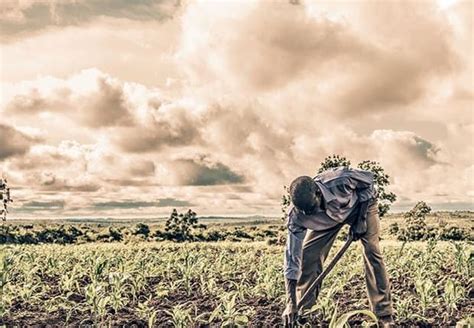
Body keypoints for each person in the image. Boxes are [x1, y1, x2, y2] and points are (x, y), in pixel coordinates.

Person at [282, 167, 394, 327]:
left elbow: (368, 182)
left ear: (318, 194)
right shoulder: (296, 217)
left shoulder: (340, 178)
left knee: (372, 251)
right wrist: (290, 303)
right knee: (308, 257)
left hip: (360, 207)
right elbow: (292, 261)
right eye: (304, 212)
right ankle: (303, 313)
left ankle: (384, 315)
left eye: (311, 209)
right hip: (326, 220)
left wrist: (361, 220)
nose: (307, 214)